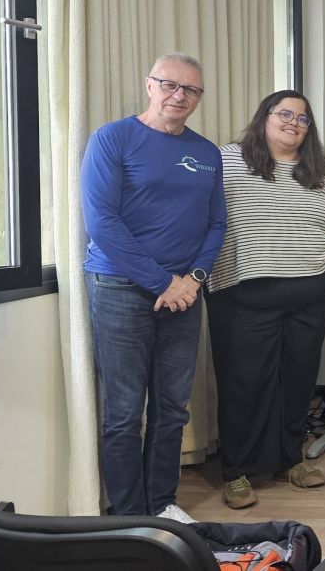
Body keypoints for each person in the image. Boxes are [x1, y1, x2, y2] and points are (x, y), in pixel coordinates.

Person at [80, 53, 226, 522]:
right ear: (149, 85)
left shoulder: (207, 153)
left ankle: (162, 505)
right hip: (120, 289)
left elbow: (217, 224)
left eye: (191, 90)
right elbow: (102, 222)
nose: (179, 96)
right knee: (124, 412)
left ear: (199, 98)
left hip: (185, 294)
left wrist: (194, 279)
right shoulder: (112, 138)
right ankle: (128, 517)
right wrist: (163, 281)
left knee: (172, 408)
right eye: (169, 85)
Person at [206, 90, 325, 509]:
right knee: (244, 384)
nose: (293, 123)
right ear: (265, 117)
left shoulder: (317, 169)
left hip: (309, 291)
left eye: (302, 119)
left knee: (298, 380)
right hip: (243, 292)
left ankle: (290, 459)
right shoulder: (228, 159)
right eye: (284, 114)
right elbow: (202, 211)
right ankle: (237, 472)